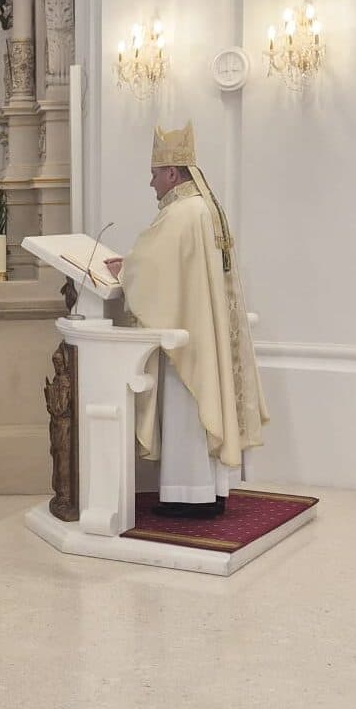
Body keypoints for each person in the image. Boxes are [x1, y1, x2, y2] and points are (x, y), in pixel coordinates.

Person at [104, 123, 267, 518]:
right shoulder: (208, 207)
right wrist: (136, 264)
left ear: (173, 173)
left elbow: (152, 267)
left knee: (186, 412)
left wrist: (125, 271)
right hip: (203, 332)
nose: (151, 182)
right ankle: (212, 491)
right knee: (201, 410)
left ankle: (187, 495)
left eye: (156, 173)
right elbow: (168, 264)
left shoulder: (181, 212)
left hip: (187, 342)